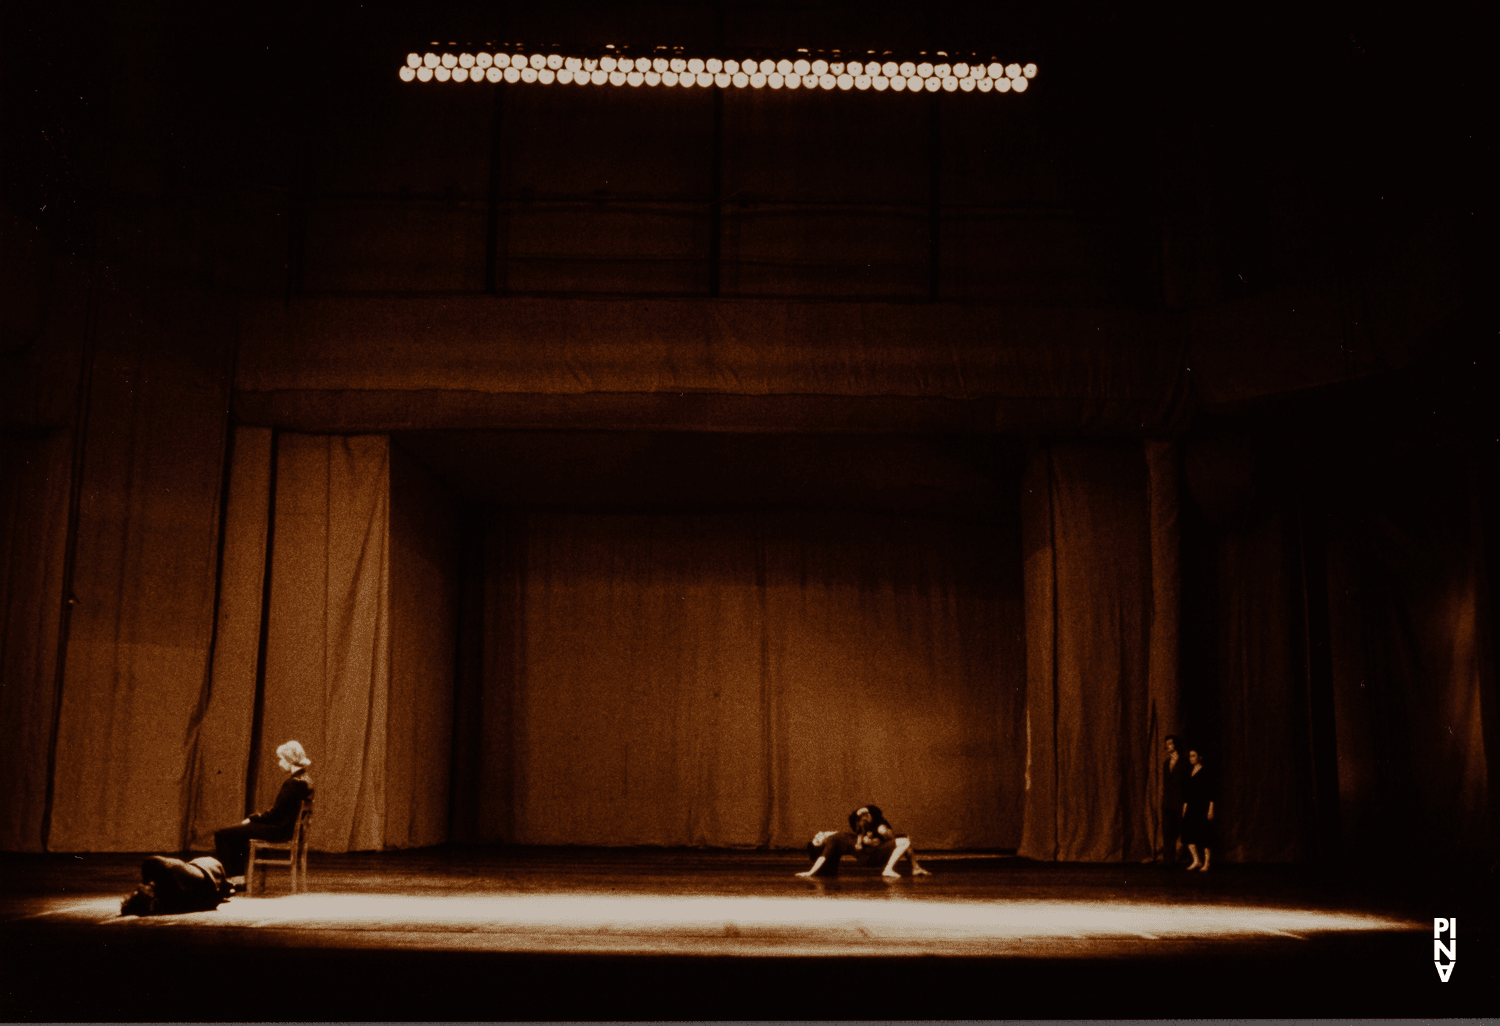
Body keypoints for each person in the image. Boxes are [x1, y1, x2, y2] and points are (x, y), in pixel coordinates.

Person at [214, 740, 314, 884]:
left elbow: (275, 814)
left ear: (289, 760)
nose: (279, 763)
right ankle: (237, 878)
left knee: (223, 834)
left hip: (280, 830)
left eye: (281, 759)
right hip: (286, 828)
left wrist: (253, 819)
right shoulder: (305, 780)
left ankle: (233, 878)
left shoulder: (293, 783)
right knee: (236, 833)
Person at [796, 805, 930, 878]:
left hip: (870, 850)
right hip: (869, 855)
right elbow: (823, 857)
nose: (818, 834)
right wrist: (810, 872)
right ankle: (888, 869)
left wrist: (866, 840)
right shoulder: (832, 840)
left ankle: (916, 868)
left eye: (816, 835)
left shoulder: (838, 835)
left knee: (903, 840)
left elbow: (860, 831)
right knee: (904, 841)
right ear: (822, 844)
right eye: (817, 839)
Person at [120, 855, 234, 916]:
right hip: (208, 872)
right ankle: (226, 888)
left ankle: (226, 888)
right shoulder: (153, 865)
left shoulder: (172, 902)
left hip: (207, 877)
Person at [1181, 746, 1216, 872]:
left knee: (1205, 834)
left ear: (1200, 757)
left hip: (1202, 806)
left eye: (1194, 755)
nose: (1191, 758)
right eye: (1190, 756)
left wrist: (1211, 809)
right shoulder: (1188, 770)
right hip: (1191, 805)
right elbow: (1186, 791)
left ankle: (1207, 862)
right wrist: (1185, 808)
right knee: (1188, 833)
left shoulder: (1206, 771)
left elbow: (1212, 791)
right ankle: (1196, 860)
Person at [1159, 734, 1189, 864]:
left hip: (1180, 801)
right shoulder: (1166, 764)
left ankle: (1188, 858)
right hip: (1168, 803)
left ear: (1176, 745)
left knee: (1185, 831)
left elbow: (1187, 784)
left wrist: (1186, 803)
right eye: (1167, 743)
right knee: (1167, 832)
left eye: (1170, 743)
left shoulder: (1184, 763)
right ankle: (1168, 860)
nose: (1167, 745)